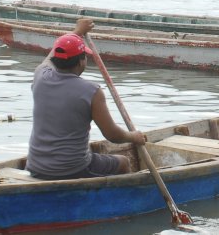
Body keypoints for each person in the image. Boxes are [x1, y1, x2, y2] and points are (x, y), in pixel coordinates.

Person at [26, 18, 147, 179]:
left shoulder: (41, 76)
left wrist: (77, 33)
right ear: (81, 61)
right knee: (123, 162)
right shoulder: (92, 91)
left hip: (35, 166)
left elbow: (53, 52)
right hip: (73, 168)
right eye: (84, 56)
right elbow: (112, 135)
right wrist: (134, 136)